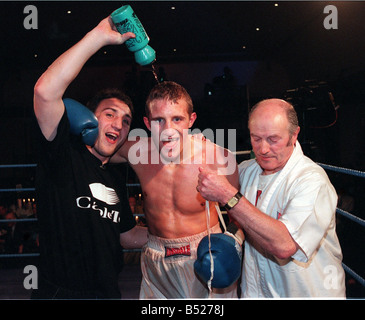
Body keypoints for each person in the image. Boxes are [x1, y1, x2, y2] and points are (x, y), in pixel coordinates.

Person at [32, 16, 147, 299]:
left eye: (126, 120)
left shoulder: (114, 176)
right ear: (89, 119)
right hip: (59, 294)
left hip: (107, 293)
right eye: (110, 114)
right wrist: (97, 36)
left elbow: (125, 235)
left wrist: (180, 233)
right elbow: (45, 92)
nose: (119, 125)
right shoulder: (61, 153)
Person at [197, 98, 346, 298]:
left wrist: (227, 195)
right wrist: (196, 148)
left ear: (294, 135)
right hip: (257, 292)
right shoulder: (247, 171)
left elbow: (285, 245)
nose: (263, 149)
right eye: (256, 139)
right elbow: (213, 174)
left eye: (273, 139)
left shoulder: (311, 181)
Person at [112, 81, 242, 299]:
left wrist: (232, 244)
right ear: (146, 122)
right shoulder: (137, 151)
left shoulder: (219, 157)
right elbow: (97, 149)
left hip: (206, 256)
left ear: (191, 120)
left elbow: (239, 216)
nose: (168, 130)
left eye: (177, 119)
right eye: (159, 120)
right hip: (156, 259)